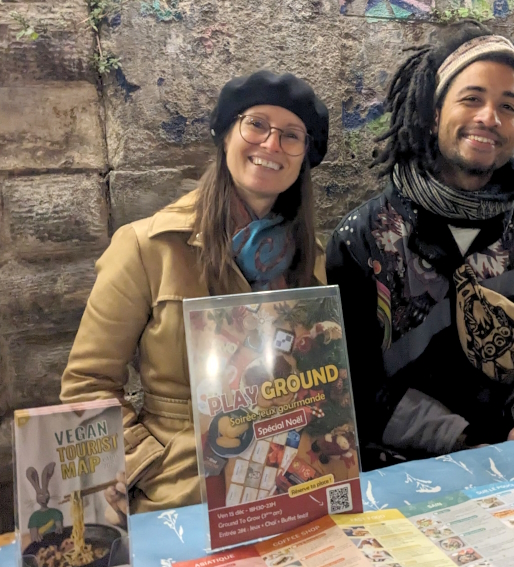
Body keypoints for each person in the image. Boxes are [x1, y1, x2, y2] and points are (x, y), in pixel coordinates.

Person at [61, 70, 329, 512]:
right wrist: (147, 465)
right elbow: (87, 386)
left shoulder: (310, 256)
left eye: (291, 135)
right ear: (225, 136)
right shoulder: (148, 247)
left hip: (288, 486)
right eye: (256, 124)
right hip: (182, 499)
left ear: (304, 156)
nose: (271, 145)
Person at [327, 21, 514, 465]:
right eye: (472, 98)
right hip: (404, 469)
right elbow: (350, 382)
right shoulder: (365, 240)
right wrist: (464, 443)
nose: (489, 118)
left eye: (508, 106)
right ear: (434, 112)